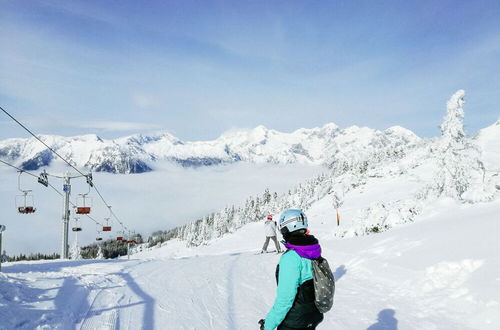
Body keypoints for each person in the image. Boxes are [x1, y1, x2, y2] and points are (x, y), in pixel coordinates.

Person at [260, 209, 324, 330]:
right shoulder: (313, 250)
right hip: (313, 315)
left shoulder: (291, 258)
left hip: (295, 321)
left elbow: (285, 300)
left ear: (286, 229)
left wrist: (268, 325)